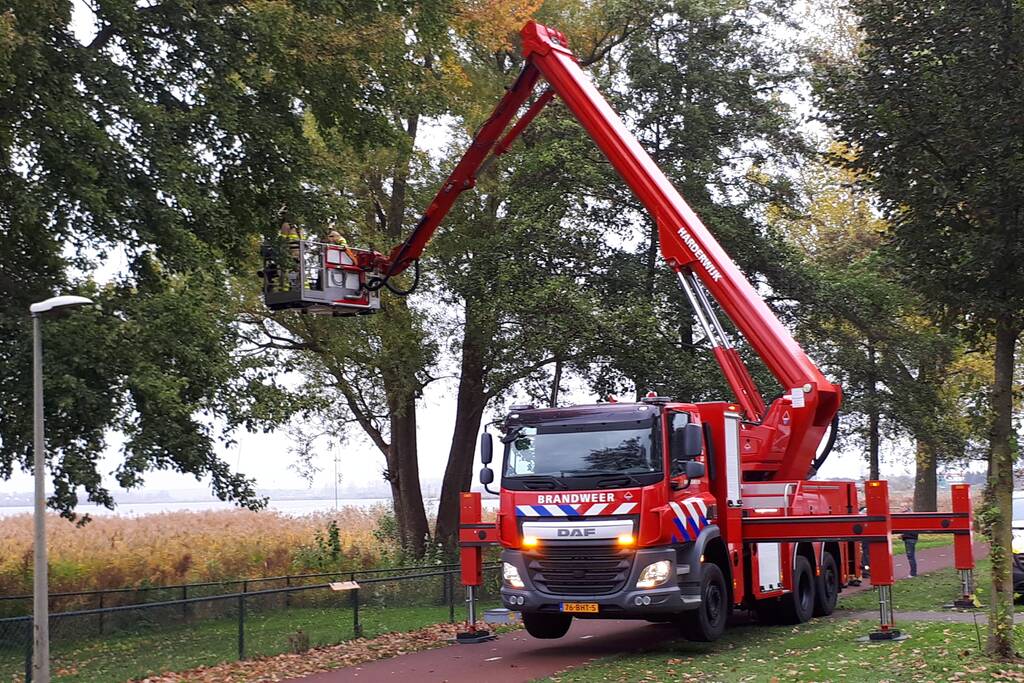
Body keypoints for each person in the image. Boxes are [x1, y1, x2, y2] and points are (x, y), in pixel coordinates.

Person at [901, 507, 919, 577]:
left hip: (910, 540)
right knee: (911, 556)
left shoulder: (910, 521)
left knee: (911, 556)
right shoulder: (913, 520)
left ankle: (913, 573)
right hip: (911, 539)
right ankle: (913, 572)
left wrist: (903, 536)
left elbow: (911, 532)